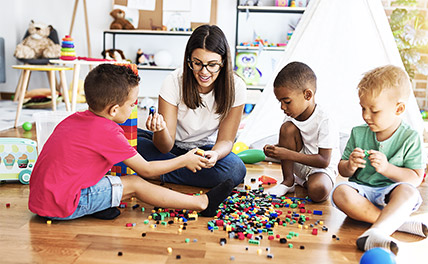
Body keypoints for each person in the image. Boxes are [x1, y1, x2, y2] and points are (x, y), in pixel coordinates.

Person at [28, 64, 235, 220]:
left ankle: (98, 204)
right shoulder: (107, 131)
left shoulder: (74, 119)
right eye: (132, 104)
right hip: (60, 206)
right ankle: (202, 203)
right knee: (135, 184)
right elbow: (146, 170)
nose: (134, 107)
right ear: (114, 110)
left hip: (42, 198)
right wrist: (184, 160)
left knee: (118, 182)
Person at [331, 65, 428, 255]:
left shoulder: (410, 137)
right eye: (363, 108)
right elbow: (342, 170)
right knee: (340, 192)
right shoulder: (358, 133)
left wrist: (387, 168)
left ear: (399, 108)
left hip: (392, 192)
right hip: (363, 192)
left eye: (374, 111)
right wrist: (350, 165)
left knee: (408, 192)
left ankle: (377, 231)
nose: (366, 116)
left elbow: (415, 178)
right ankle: (395, 222)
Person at [137, 25, 247, 188]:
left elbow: (225, 140)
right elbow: (164, 146)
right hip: (171, 148)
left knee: (234, 169)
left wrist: (215, 154)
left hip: (203, 150)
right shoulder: (174, 81)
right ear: (189, 60)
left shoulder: (236, 86)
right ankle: (157, 170)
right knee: (127, 143)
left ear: (223, 62)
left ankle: (152, 171)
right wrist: (160, 130)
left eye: (212, 65)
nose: (204, 72)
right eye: (197, 63)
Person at [263, 62, 340, 202]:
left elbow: (324, 161)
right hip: (299, 164)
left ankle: (305, 182)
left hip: (321, 168)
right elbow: (289, 145)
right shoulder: (290, 116)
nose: (282, 107)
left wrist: (286, 153)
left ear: (307, 95)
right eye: (280, 102)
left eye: (286, 101)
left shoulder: (325, 120)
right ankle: (288, 181)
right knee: (287, 128)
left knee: (317, 191)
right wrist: (275, 149)